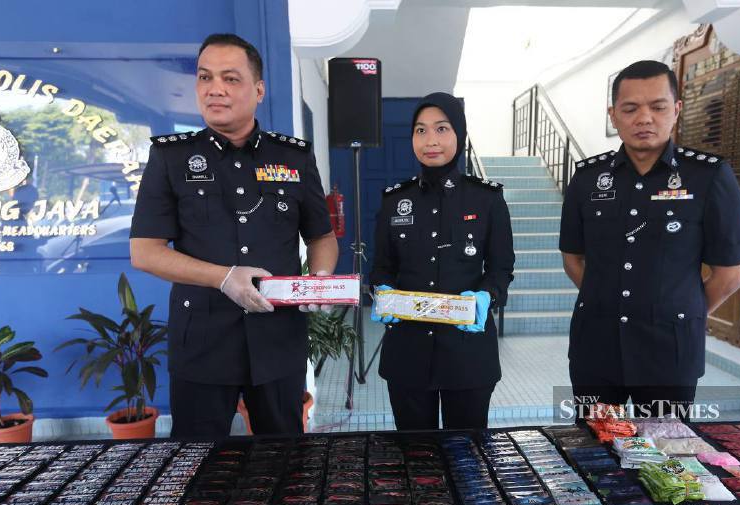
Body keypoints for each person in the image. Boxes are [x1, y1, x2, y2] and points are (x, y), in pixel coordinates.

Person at [129, 33, 338, 437]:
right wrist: (224, 278)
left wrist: (321, 280)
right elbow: (145, 252)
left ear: (258, 90)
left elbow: (321, 236)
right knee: (197, 466)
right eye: (205, 78)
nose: (215, 89)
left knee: (283, 464)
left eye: (230, 78)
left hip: (278, 338)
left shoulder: (293, 157)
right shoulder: (170, 158)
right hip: (202, 343)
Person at [559, 60, 740, 420]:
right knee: (596, 454)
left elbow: (730, 275)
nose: (644, 118)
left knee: (665, 462)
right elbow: (573, 259)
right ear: (613, 115)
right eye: (630, 108)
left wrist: (676, 313)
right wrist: (608, 302)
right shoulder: (587, 178)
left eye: (657, 107)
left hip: (669, 353)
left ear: (675, 110)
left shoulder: (709, 176)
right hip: (597, 347)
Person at [369, 92, 514, 430]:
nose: (430, 140)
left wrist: (486, 297)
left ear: (459, 135)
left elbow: (501, 268)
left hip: (468, 356)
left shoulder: (487, 198)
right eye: (420, 131)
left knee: (467, 457)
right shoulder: (395, 201)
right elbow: (381, 266)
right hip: (408, 354)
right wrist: (382, 290)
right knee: (415, 459)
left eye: (441, 129)